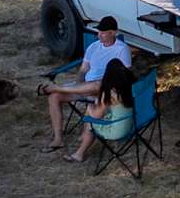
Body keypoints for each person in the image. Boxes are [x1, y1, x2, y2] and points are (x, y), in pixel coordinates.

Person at [37, 15, 133, 153]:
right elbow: (82, 70)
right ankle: (58, 139)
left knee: (96, 85)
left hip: (104, 88)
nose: (99, 34)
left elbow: (125, 75)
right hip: (85, 87)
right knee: (54, 97)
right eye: (98, 31)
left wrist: (99, 87)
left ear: (113, 33)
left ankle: (57, 87)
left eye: (103, 32)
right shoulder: (93, 47)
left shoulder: (122, 49)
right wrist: (78, 85)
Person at [64, 58, 136, 163]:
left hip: (117, 131)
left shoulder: (110, 94)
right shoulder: (131, 87)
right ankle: (83, 137)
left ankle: (79, 153)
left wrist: (89, 106)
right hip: (133, 123)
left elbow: (97, 115)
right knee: (98, 112)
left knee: (90, 120)